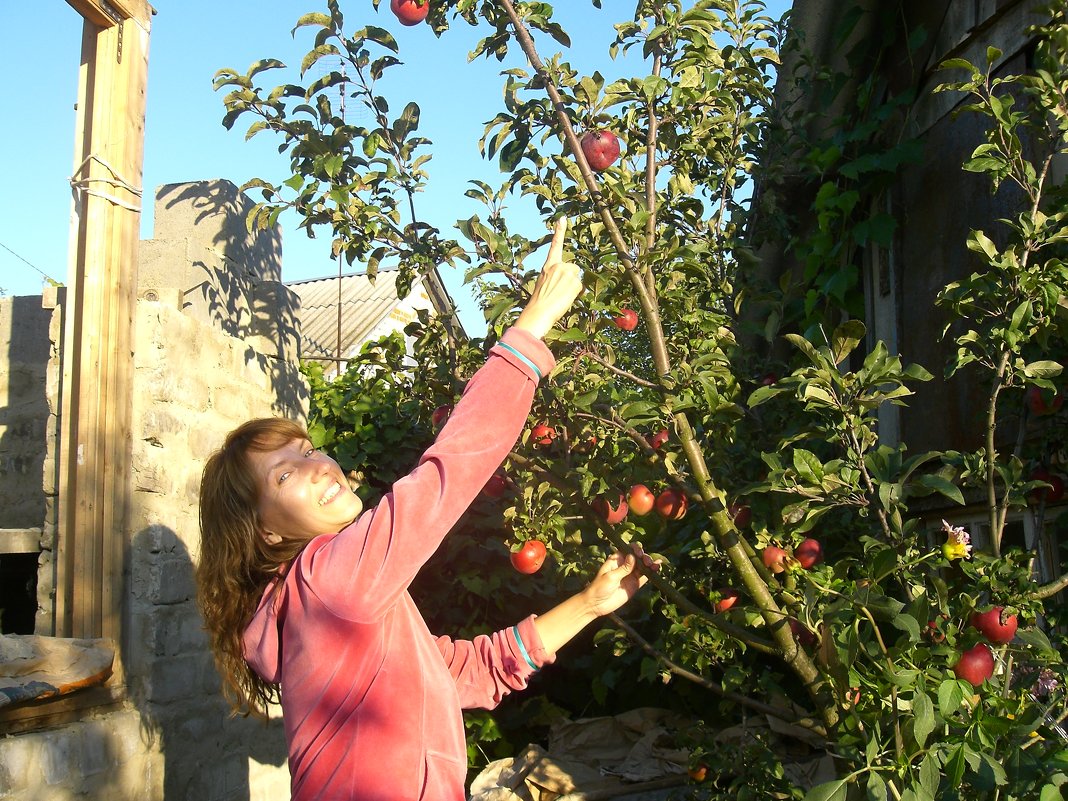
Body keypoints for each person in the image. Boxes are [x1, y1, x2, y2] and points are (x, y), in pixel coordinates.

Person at [195, 218, 660, 801]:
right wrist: (532, 327)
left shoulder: (336, 612)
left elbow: (468, 670)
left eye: (309, 449)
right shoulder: (329, 580)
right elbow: (450, 472)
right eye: (286, 473)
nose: (319, 465)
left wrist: (590, 604)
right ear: (262, 531)